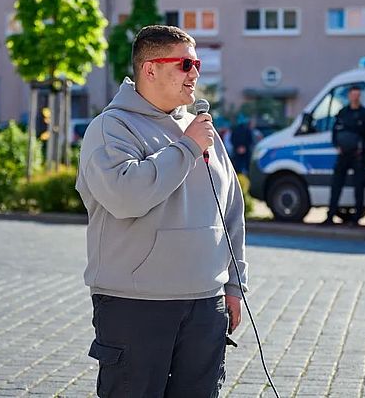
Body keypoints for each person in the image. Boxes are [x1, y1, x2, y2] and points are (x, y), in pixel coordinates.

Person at [76, 25, 248, 398]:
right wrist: (185, 149)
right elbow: (125, 197)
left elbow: (231, 210)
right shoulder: (111, 128)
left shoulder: (201, 130)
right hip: (135, 305)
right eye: (186, 63)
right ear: (150, 69)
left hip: (206, 303)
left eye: (197, 63)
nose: (195, 74)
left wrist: (234, 285)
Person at [325, 85, 365, 225]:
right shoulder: (343, 112)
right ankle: (330, 216)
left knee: (358, 187)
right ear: (349, 96)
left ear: (359, 96)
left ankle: (356, 218)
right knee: (336, 185)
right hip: (343, 155)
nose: (354, 97)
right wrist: (337, 145)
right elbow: (335, 132)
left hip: (358, 156)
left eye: (357, 95)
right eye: (352, 95)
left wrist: (362, 148)